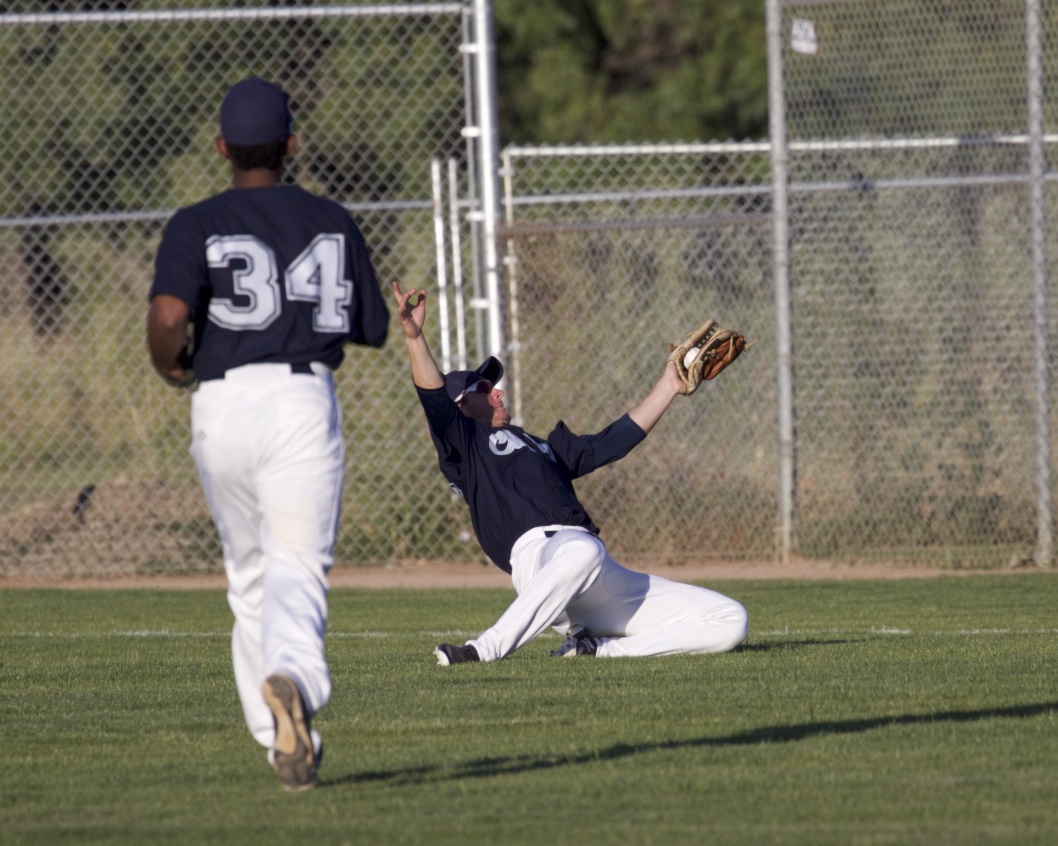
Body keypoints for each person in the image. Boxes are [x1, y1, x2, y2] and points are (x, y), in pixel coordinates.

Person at [147, 77, 390, 791]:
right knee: (297, 564)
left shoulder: (196, 221)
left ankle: (283, 741)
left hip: (220, 405)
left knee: (250, 576)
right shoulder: (330, 219)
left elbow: (168, 319)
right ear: (293, 144)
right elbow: (371, 326)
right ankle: (298, 686)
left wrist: (172, 367)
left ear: (221, 147)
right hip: (298, 401)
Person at [392, 280, 748, 666]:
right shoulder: (466, 446)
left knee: (730, 619)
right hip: (541, 558)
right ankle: (483, 649)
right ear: (460, 404)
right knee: (583, 549)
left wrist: (668, 385)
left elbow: (610, 443)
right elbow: (433, 397)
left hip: (595, 574)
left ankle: (598, 650)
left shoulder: (541, 447)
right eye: (483, 386)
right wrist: (414, 337)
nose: (497, 391)